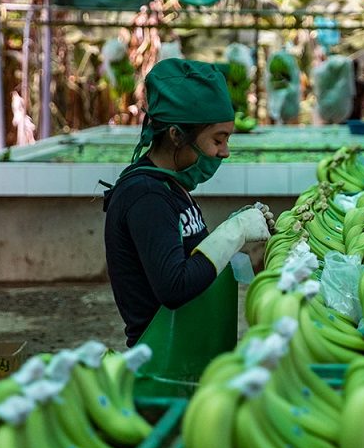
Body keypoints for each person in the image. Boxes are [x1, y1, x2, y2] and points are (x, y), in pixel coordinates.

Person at [104, 58, 272, 351]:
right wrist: (233, 232)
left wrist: (233, 227)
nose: (225, 152)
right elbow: (175, 286)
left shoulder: (170, 185)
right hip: (163, 358)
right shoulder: (146, 195)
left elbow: (190, 257)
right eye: (218, 140)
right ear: (176, 135)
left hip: (190, 348)